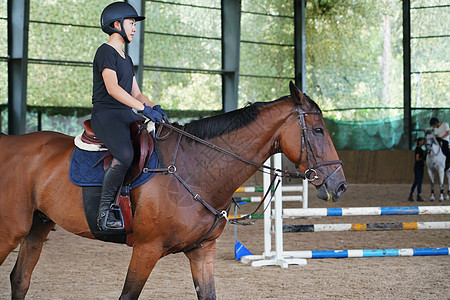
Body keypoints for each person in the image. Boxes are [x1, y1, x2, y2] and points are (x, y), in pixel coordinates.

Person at [92, 2, 167, 230]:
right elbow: (114, 89)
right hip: (106, 114)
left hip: (125, 113)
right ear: (117, 25)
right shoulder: (105, 52)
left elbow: (136, 93)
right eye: (131, 23)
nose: (134, 28)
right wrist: (143, 110)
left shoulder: (126, 57)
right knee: (125, 154)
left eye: (134, 24)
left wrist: (156, 108)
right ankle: (104, 212)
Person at [408, 137, 426, 202]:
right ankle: (418, 196)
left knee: (416, 182)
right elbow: (417, 159)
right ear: (419, 142)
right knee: (419, 182)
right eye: (422, 141)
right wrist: (423, 157)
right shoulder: (418, 149)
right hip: (418, 167)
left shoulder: (420, 149)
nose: (423, 142)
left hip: (420, 167)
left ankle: (411, 195)